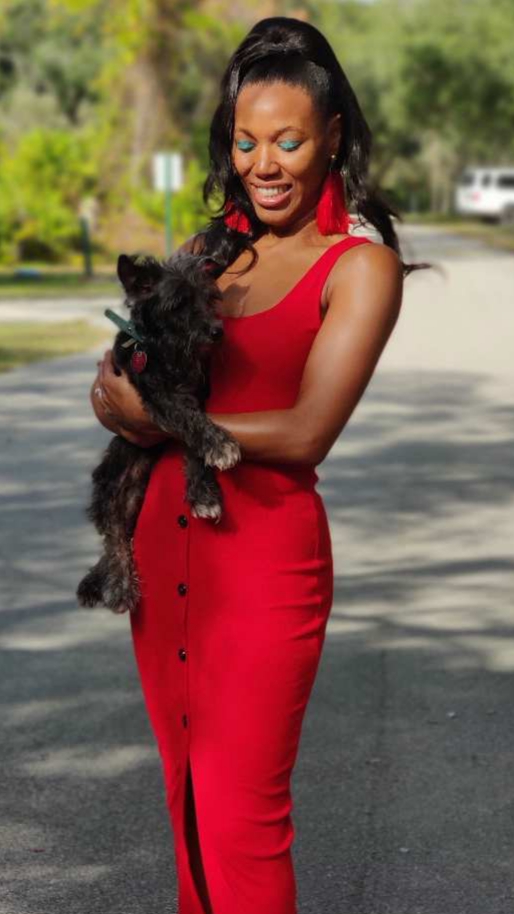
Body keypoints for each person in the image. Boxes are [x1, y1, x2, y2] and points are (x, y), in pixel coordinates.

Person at [89, 16, 429, 914]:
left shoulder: (359, 268)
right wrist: (116, 388)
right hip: (162, 557)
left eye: (288, 141)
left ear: (332, 138)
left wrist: (164, 421)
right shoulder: (207, 255)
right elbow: (140, 369)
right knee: (190, 813)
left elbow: (310, 429)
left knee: (243, 822)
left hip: (264, 566)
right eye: (246, 142)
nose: (264, 163)